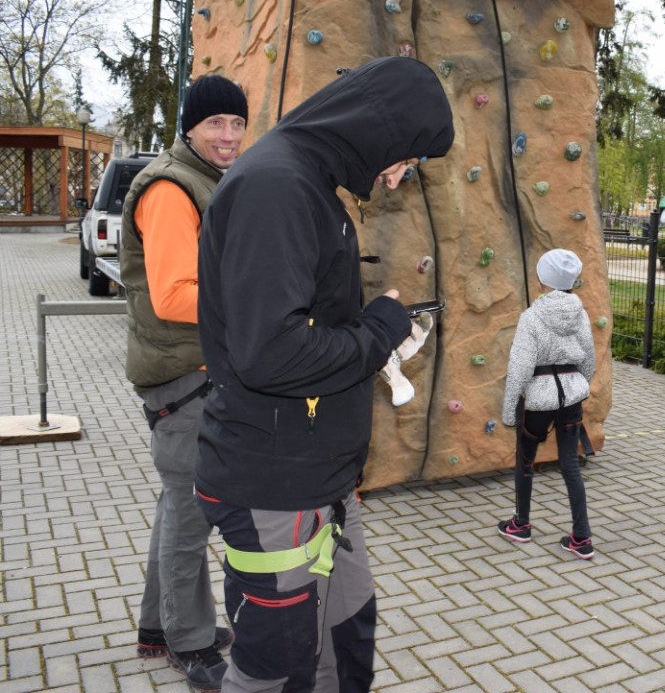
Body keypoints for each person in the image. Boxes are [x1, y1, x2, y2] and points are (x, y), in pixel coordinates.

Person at [194, 56, 454, 693]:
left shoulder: (306, 182)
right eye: (405, 161)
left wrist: (372, 335)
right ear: (380, 132)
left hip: (317, 478)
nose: (395, 181)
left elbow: (301, 329)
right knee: (276, 666)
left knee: (346, 639)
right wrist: (378, 332)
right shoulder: (276, 187)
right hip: (273, 482)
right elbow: (270, 353)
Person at [119, 74, 249, 691]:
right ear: (190, 128)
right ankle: (188, 641)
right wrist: (255, 301)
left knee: (177, 509)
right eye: (215, 124)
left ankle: (156, 627)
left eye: (236, 123)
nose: (228, 136)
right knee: (190, 513)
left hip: (192, 370)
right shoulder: (172, 188)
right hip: (182, 377)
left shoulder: (205, 179)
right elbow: (173, 295)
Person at [497, 248, 597, 559]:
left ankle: (521, 524)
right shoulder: (581, 313)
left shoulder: (531, 317)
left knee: (525, 461)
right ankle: (581, 537)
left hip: (537, 401)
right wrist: (577, 383)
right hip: (571, 398)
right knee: (570, 464)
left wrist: (509, 409)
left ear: (543, 281)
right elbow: (589, 359)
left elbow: (520, 367)